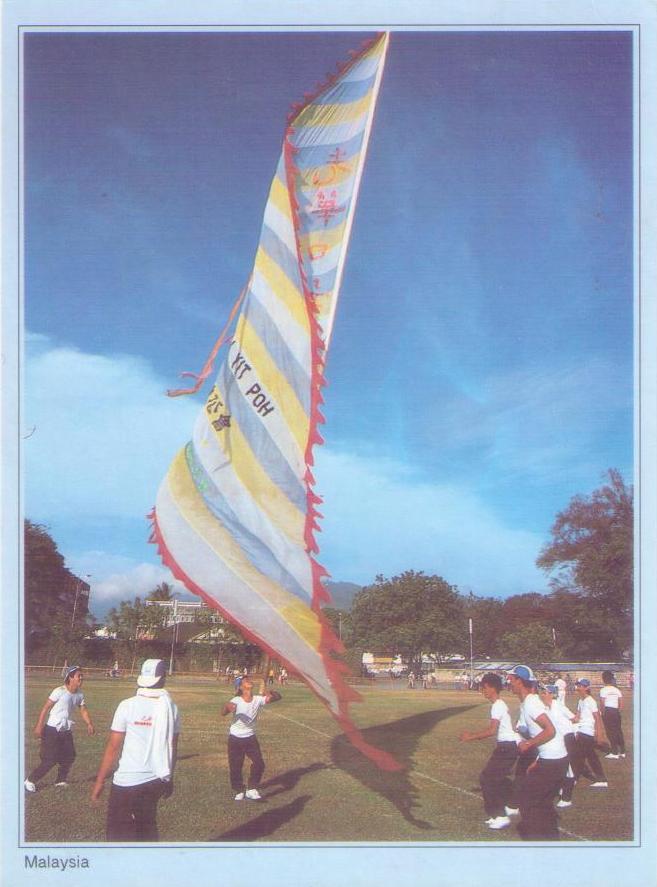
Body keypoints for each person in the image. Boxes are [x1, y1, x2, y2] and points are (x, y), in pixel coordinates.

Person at [91, 659, 180, 842]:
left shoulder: (127, 705)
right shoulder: (172, 707)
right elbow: (172, 746)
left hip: (127, 782)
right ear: (163, 677)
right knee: (147, 829)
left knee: (119, 837)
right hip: (156, 780)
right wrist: (169, 777)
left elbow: (113, 746)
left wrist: (100, 781)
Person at [506, 665, 568, 841]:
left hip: (553, 761)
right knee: (540, 803)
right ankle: (548, 840)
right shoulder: (527, 702)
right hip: (552, 759)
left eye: (511, 679)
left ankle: (539, 845)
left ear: (519, 681)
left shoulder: (531, 703)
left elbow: (550, 730)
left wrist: (529, 744)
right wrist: (538, 759)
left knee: (528, 801)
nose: (508, 682)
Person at [460, 672, 520, 830]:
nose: (483, 691)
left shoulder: (498, 706)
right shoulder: (498, 705)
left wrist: (470, 737)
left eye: (485, 687)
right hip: (506, 747)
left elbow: (492, 730)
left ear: (493, 688)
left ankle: (500, 815)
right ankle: (500, 812)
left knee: (488, 779)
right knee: (491, 779)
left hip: (507, 747)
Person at [25, 665, 95, 792]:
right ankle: (30, 780)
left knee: (69, 756)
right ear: (70, 677)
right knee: (50, 759)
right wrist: (39, 726)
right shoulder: (59, 691)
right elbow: (45, 708)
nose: (81, 678)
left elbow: (83, 709)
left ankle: (60, 781)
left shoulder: (79, 694)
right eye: (79, 676)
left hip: (66, 730)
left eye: (82, 676)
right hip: (52, 730)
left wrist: (89, 723)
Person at [222, 676, 281, 801]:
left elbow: (278, 697)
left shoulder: (258, 700)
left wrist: (268, 692)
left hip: (250, 737)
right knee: (236, 766)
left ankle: (252, 788)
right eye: (245, 680)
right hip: (235, 738)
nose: (249, 680)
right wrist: (227, 707)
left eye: (249, 679)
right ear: (241, 686)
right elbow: (223, 712)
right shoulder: (236, 700)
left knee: (259, 763)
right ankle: (238, 789)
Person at [537, 684, 577, 809]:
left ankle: (567, 797)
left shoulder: (558, 705)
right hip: (557, 738)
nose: (542, 694)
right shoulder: (544, 708)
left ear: (552, 694)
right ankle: (560, 787)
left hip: (567, 737)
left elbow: (574, 718)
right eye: (542, 692)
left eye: (545, 692)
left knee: (567, 767)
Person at [572, 678, 608, 787]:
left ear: (587, 688)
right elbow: (577, 717)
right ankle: (600, 779)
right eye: (578, 686)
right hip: (581, 730)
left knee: (581, 756)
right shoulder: (580, 701)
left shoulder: (590, 701)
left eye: (581, 686)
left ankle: (575, 778)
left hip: (587, 731)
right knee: (588, 755)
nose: (578, 688)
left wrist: (599, 733)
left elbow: (597, 718)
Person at [599, 671, 626, 759]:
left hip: (608, 711)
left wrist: (602, 713)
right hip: (616, 711)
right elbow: (621, 704)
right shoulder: (617, 690)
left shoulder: (603, 690)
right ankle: (622, 751)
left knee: (610, 732)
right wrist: (618, 711)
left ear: (603, 679)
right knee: (618, 730)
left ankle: (614, 752)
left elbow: (602, 704)